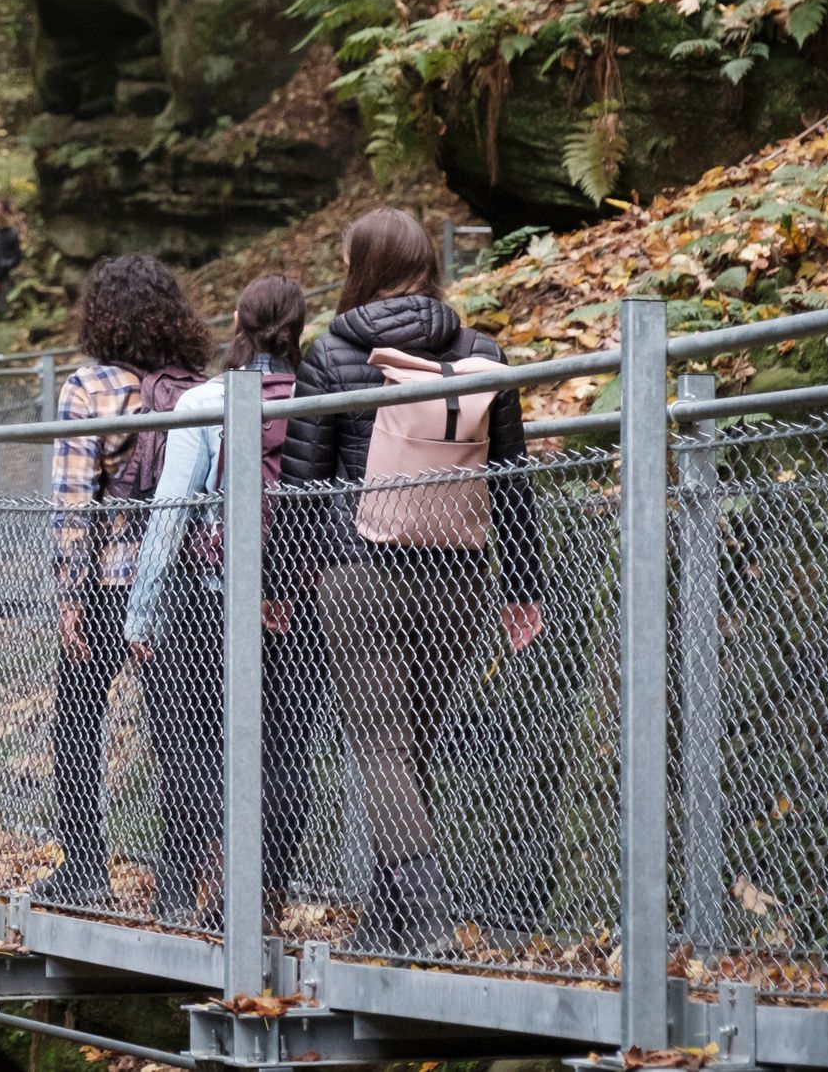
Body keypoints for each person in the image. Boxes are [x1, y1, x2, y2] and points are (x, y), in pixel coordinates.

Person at [278, 208, 541, 956]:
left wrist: (280, 580)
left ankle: (427, 924)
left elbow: (301, 483)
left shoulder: (331, 354)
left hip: (356, 573)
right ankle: (384, 921)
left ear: (361, 263)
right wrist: (523, 586)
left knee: (384, 751)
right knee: (410, 748)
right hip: (458, 574)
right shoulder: (482, 353)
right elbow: (511, 480)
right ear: (428, 262)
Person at [122, 274, 315, 924]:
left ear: (236, 320)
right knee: (287, 746)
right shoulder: (323, 400)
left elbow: (171, 511)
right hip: (302, 600)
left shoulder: (204, 401)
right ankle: (260, 900)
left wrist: (142, 610)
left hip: (214, 602)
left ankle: (203, 888)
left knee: (202, 742)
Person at [37, 254, 213, 907]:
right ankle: (175, 892)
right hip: (183, 584)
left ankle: (85, 870)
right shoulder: (196, 387)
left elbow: (73, 501)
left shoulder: (89, 389)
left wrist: (69, 594)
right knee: (181, 734)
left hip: (108, 585)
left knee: (79, 722)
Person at [0, 197, 24, 318]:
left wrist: (5, 265)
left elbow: (17, 256)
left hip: (5, 275)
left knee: (5, 309)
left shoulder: (11, 232)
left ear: (4, 212)